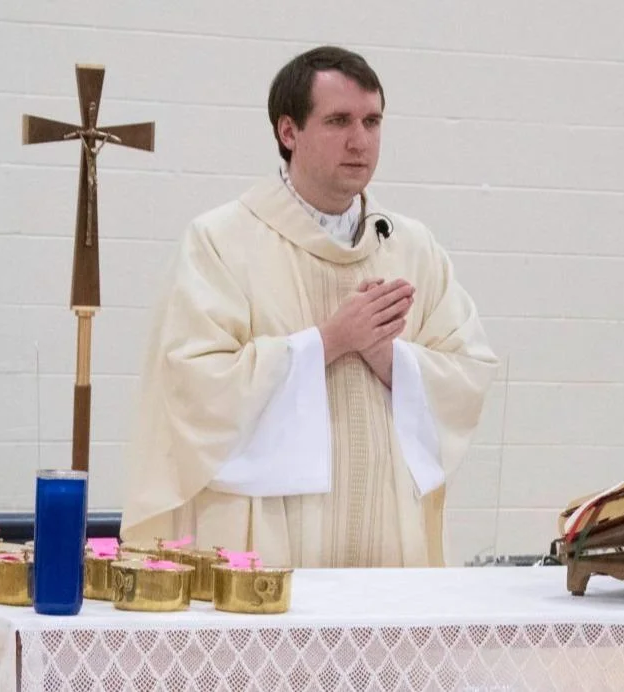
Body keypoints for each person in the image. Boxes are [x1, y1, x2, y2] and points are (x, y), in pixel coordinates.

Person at [120, 46, 497, 568]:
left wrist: (392, 360)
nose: (359, 140)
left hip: (387, 545)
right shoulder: (223, 241)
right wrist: (329, 341)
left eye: (372, 121)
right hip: (265, 545)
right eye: (338, 120)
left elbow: (469, 370)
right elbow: (192, 385)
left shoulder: (413, 248)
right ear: (288, 131)